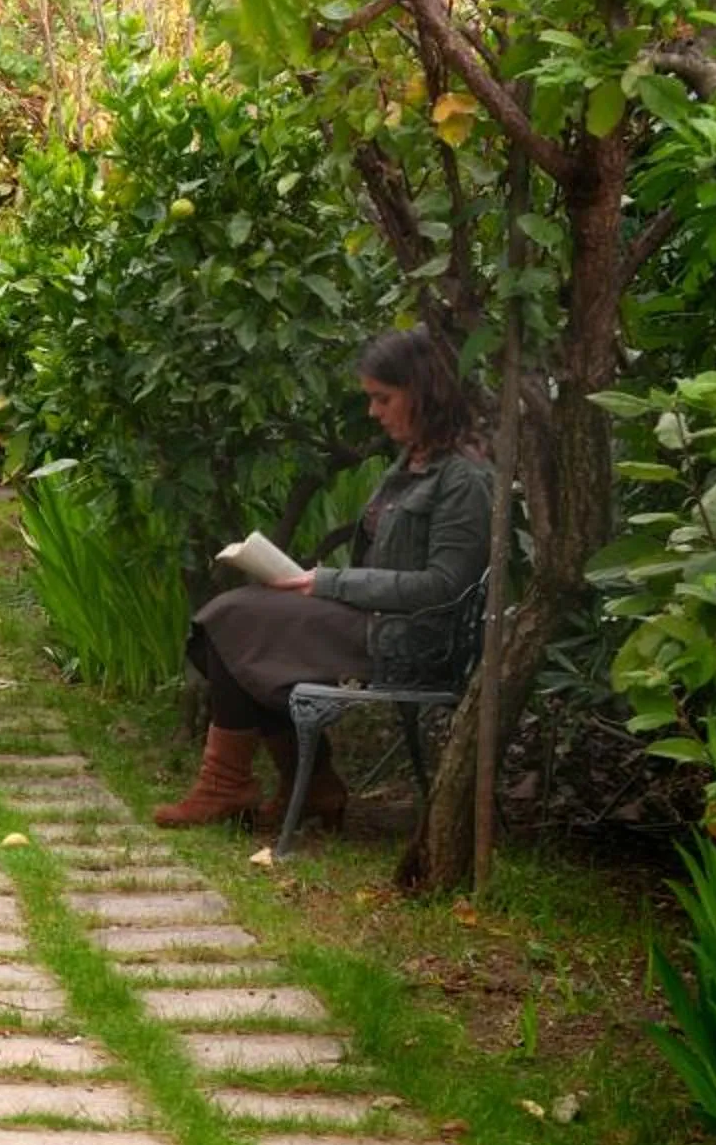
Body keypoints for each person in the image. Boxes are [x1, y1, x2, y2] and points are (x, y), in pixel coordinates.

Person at [155, 328, 495, 830]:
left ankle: (232, 785)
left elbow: (445, 587)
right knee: (236, 619)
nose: (374, 413)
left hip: (412, 639)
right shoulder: (410, 463)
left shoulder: (462, 479)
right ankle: (307, 785)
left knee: (235, 619)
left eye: (383, 398)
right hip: (371, 619)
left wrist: (331, 583)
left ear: (424, 391)